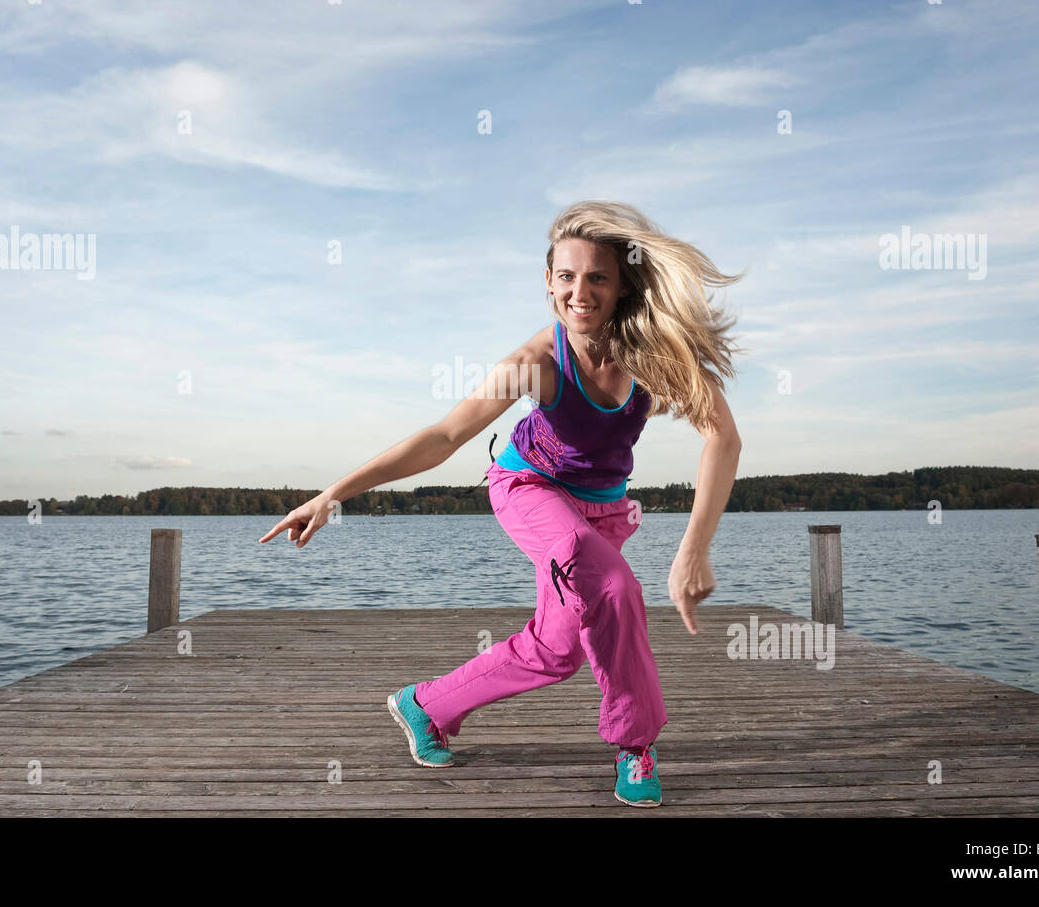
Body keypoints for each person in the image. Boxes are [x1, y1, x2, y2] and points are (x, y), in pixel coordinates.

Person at [260, 200, 744, 808]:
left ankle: (425, 705)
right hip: (529, 491)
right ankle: (636, 746)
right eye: (566, 278)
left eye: (597, 277)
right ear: (548, 283)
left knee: (558, 647)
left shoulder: (652, 354)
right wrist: (333, 494)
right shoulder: (536, 363)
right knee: (615, 587)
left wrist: (694, 550)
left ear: (623, 286)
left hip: (602, 510)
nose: (580, 292)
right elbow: (442, 438)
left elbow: (722, 437)